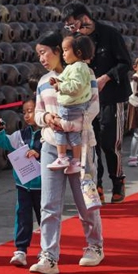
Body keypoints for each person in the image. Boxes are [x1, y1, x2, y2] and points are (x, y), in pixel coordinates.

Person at [31, 31, 103, 274]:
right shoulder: (43, 82)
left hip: (80, 145)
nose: (41, 58)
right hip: (52, 147)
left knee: (85, 201)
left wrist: (70, 124)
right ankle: (49, 256)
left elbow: (94, 106)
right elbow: (37, 114)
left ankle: (95, 245)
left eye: (44, 52)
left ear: (58, 51)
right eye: (38, 54)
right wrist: (48, 118)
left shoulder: (86, 73)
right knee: (49, 205)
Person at [61, 1, 131, 204]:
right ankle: (96, 185)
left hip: (112, 96)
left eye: (72, 24)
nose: (71, 29)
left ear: (84, 18)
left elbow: (125, 63)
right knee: (91, 144)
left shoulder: (110, 34)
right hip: (85, 102)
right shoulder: (74, 41)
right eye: (68, 27)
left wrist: (106, 78)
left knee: (110, 142)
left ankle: (117, 181)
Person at [0, 98, 42, 267]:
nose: (27, 115)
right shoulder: (21, 135)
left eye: (31, 111)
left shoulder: (49, 135)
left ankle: (47, 249)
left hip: (43, 185)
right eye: (25, 112)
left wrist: (38, 154)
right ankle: (21, 250)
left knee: (46, 217)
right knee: (22, 216)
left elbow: (58, 153)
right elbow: (5, 142)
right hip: (23, 184)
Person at [47, 34, 95, 174]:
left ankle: (62, 156)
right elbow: (65, 78)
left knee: (60, 128)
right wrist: (57, 81)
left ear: (78, 52)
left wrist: (59, 87)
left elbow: (76, 86)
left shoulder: (79, 67)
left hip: (72, 108)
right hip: (72, 108)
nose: (63, 54)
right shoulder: (73, 66)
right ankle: (76, 160)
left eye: (66, 50)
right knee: (74, 133)